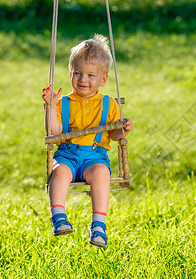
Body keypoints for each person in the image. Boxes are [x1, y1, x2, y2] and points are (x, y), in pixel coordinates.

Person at [42, 34, 133, 247]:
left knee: (102, 173)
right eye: (78, 73)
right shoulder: (63, 103)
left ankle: (99, 225)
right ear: (71, 73)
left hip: (94, 157)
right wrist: (49, 107)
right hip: (68, 154)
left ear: (103, 79)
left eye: (91, 75)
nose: (83, 79)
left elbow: (115, 135)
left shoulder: (109, 103)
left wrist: (124, 129)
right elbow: (54, 133)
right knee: (60, 172)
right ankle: (58, 216)